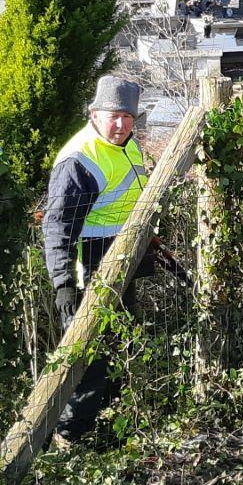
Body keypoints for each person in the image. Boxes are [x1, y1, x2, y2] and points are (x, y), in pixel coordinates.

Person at [43, 76, 151, 438]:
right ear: (93, 113)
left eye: (127, 116)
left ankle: (107, 420)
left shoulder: (128, 146)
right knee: (88, 353)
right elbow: (58, 227)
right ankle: (70, 434)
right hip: (88, 263)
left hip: (121, 258)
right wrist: (63, 284)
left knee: (119, 341)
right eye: (112, 115)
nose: (119, 124)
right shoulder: (79, 159)